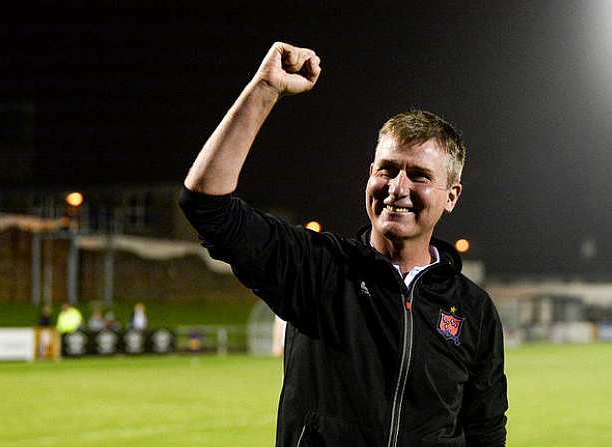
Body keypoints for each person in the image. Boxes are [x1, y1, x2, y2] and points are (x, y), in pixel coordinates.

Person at [180, 42, 508, 446]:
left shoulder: (473, 308)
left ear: (451, 195)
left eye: (419, 175)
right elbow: (207, 207)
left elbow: (485, 429)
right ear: (370, 174)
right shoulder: (318, 269)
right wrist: (264, 89)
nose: (397, 188)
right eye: (387, 170)